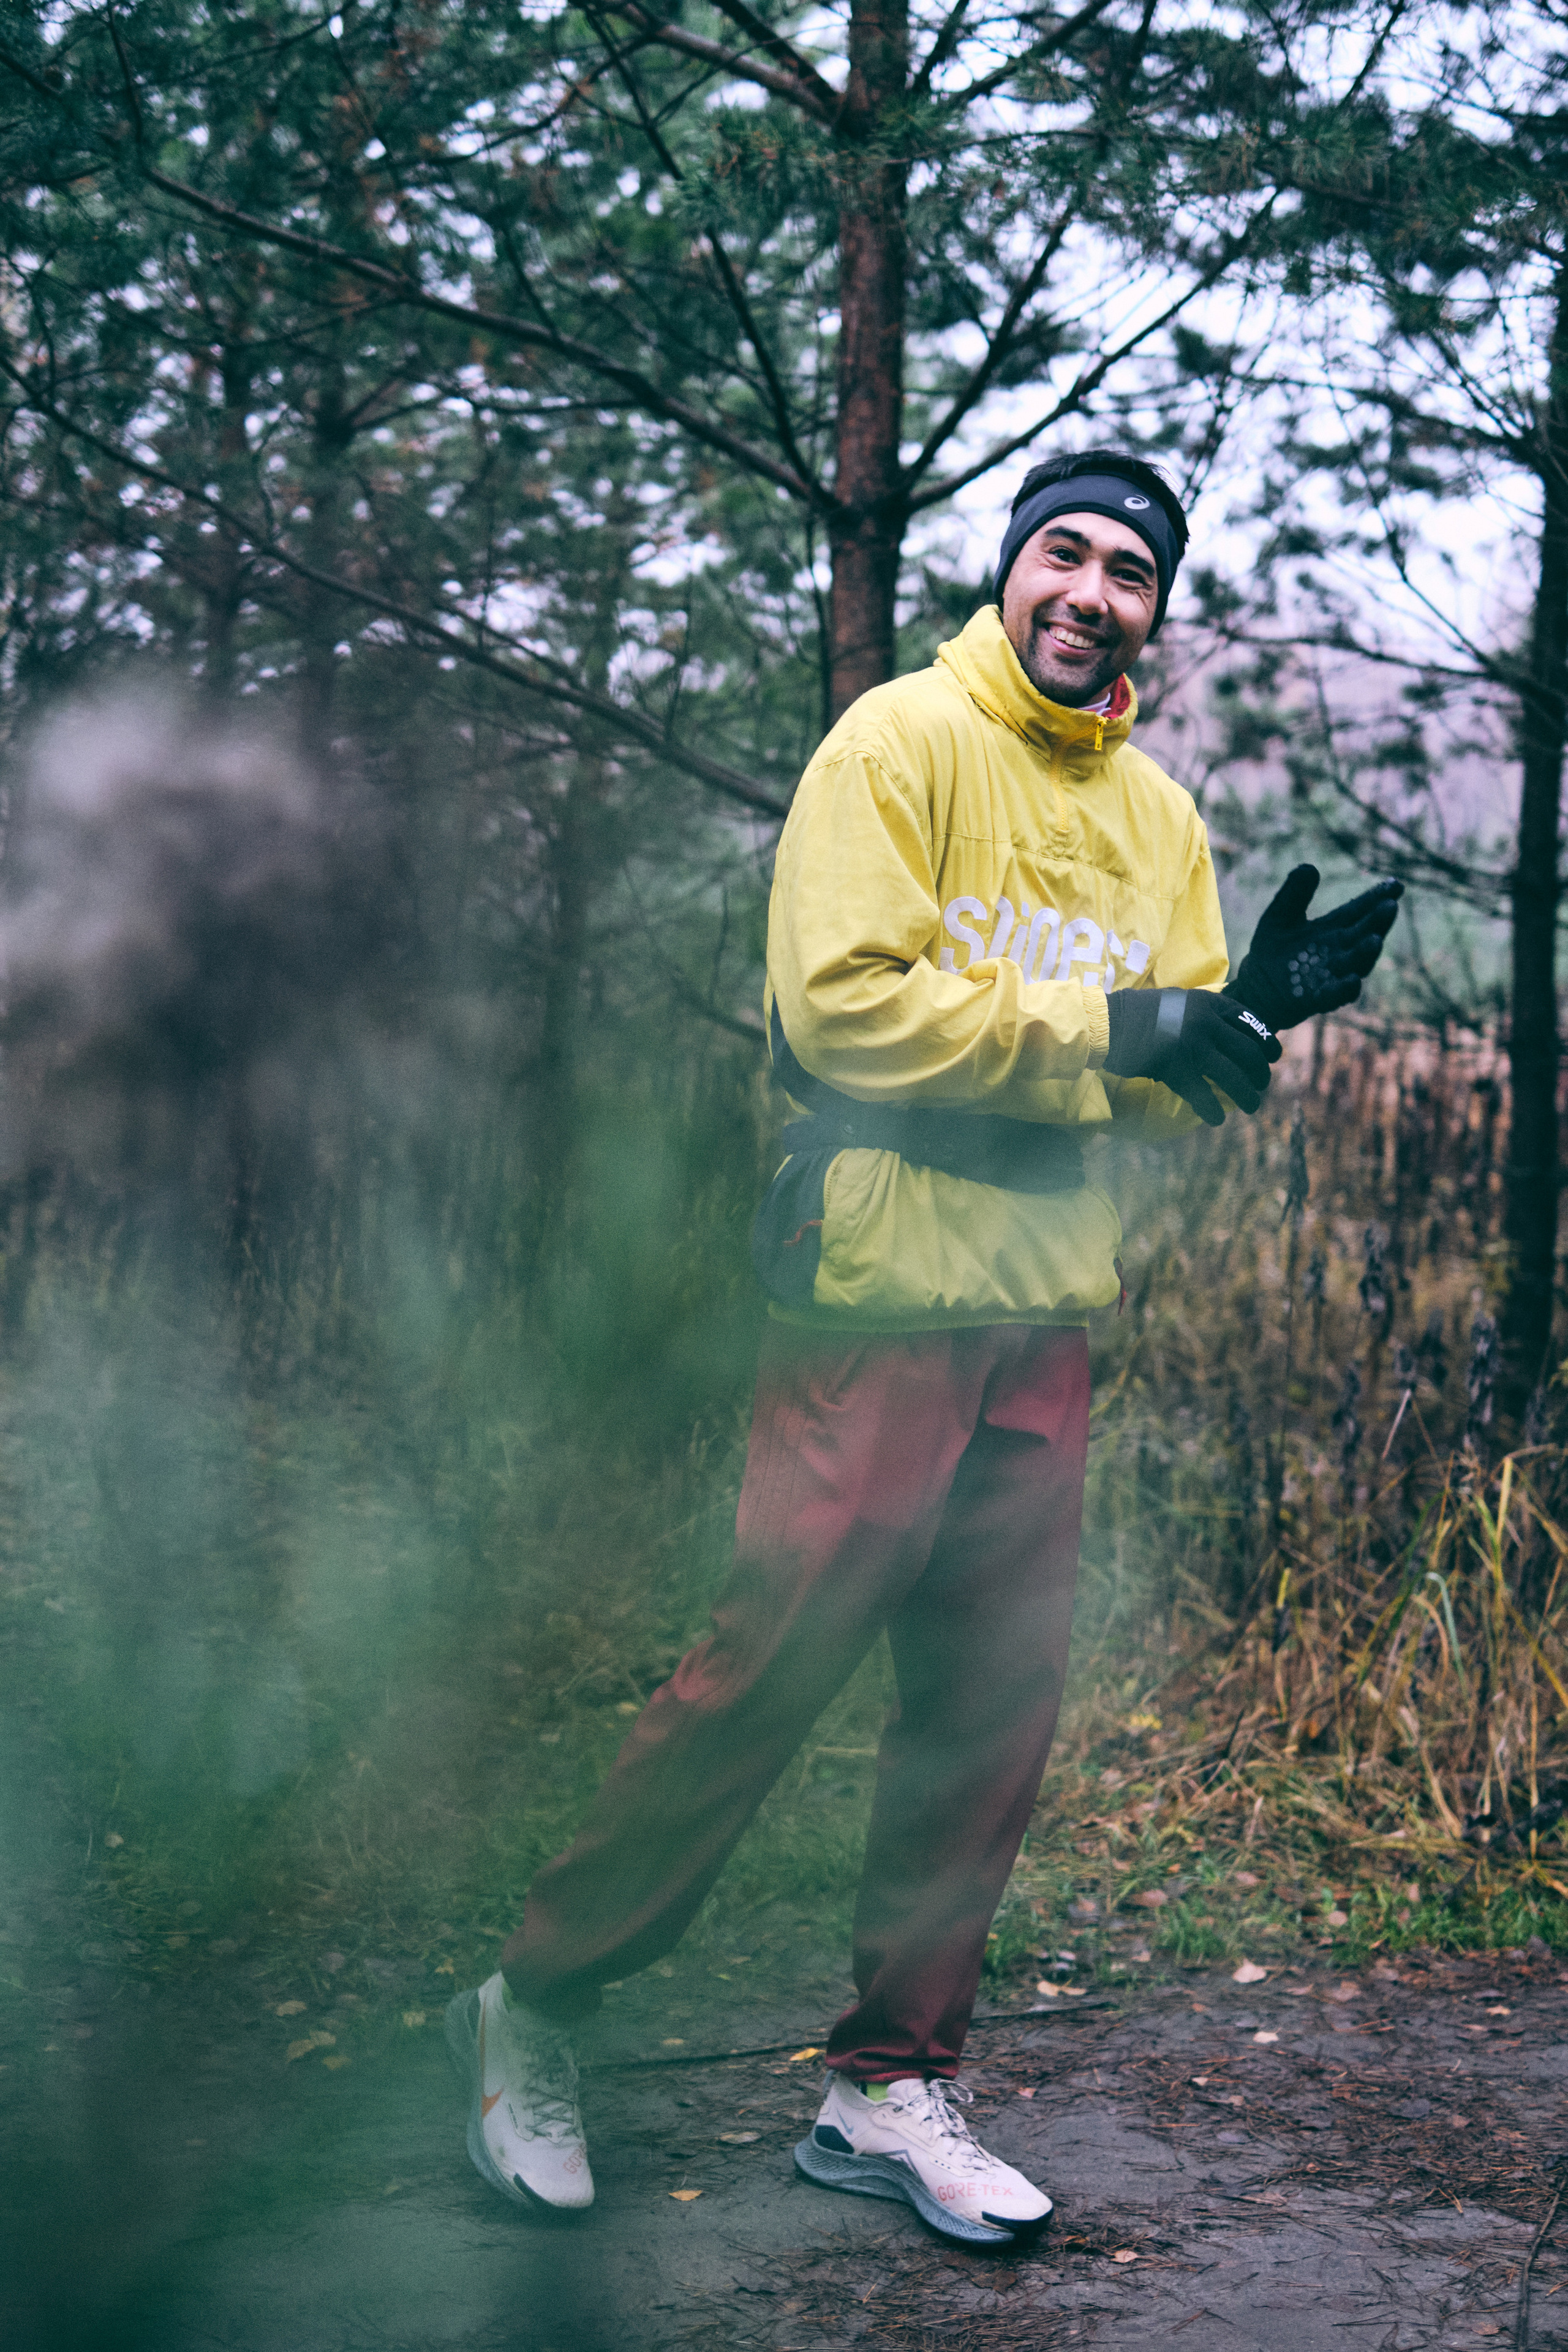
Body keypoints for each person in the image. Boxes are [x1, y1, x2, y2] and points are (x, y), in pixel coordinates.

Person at [445, 448, 1403, 2245]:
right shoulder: (895, 743)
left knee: (987, 1715)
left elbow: (1164, 1088)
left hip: (1044, 1303)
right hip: (878, 1278)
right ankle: (536, 2004)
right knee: (771, 1667)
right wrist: (1129, 1023)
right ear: (1011, 566)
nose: (1093, 592)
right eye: (1066, 553)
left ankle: (890, 2082)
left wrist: (1241, 1016)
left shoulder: (1161, 820)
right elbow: (848, 1013)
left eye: (1131, 572)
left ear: (1152, 611)